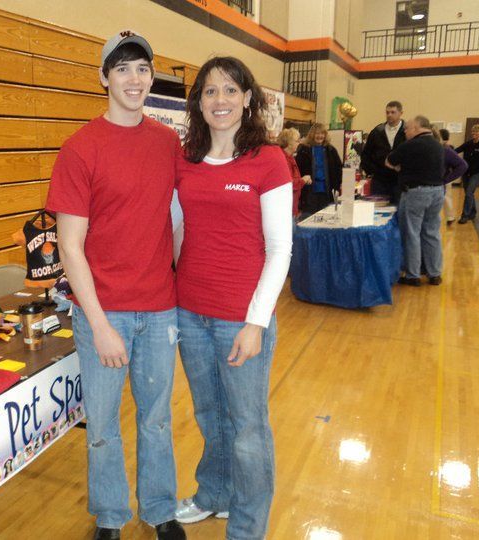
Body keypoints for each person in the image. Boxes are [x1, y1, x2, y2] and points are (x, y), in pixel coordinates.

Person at [46, 30, 185, 540]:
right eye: (122, 68)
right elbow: (70, 247)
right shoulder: (81, 148)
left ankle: (160, 509)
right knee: (102, 428)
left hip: (159, 311)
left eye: (142, 69)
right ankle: (109, 517)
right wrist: (101, 324)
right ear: (104, 77)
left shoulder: (169, 142)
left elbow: (175, 220)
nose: (134, 78)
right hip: (103, 314)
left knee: (156, 420)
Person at [172, 56, 293, 540]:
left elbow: (281, 248)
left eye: (229, 90)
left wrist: (256, 321)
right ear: (198, 102)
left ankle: (247, 526)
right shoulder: (185, 159)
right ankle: (214, 494)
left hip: (240, 319)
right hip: (190, 312)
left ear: (247, 98)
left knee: (247, 429)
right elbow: (175, 230)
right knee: (208, 416)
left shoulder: (268, 160)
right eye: (209, 91)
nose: (219, 100)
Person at [386, 116, 445, 286]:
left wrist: (399, 168)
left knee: (412, 233)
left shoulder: (410, 145)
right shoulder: (438, 145)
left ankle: (413, 275)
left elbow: (389, 161)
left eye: (408, 128)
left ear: (417, 128)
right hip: (437, 191)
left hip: (416, 192)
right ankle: (434, 273)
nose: (405, 131)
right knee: (432, 232)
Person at [361, 100, 406, 204]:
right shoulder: (377, 131)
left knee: (400, 211)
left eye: (393, 112)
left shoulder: (407, 131)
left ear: (401, 113)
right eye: (387, 112)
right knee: (378, 210)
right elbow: (366, 154)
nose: (389, 115)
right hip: (380, 180)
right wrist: (372, 171)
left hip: (400, 180)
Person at [294, 123, 342, 216]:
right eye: (317, 133)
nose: (320, 136)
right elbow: (297, 170)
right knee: (308, 218)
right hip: (308, 192)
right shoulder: (304, 150)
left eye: (322, 133)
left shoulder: (331, 150)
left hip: (327, 191)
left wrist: (337, 186)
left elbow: (338, 169)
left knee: (325, 217)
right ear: (312, 135)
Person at [438, 128, 467, 225]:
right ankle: (450, 216)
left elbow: (461, 165)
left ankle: (450, 217)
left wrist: (447, 178)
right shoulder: (447, 148)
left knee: (446, 197)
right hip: (445, 177)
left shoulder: (447, 149)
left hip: (445, 177)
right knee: (447, 197)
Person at [277, 127, 307, 218]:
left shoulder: (290, 157)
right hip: (285, 210)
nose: (299, 143)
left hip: (292, 208)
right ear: (289, 143)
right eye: (297, 141)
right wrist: (303, 180)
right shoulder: (283, 159)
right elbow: (288, 184)